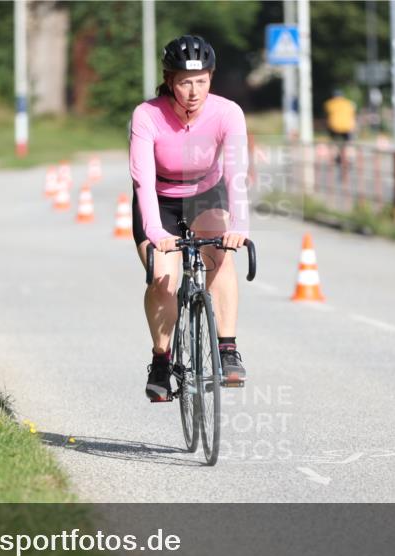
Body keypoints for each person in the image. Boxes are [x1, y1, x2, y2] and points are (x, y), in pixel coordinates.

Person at [129, 34, 250, 402]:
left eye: (201, 81)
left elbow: (236, 173)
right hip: (160, 200)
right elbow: (142, 181)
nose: (194, 91)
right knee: (163, 278)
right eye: (184, 82)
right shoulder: (147, 115)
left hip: (205, 194)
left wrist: (239, 227)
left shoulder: (227, 112)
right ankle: (162, 361)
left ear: (211, 78)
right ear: (169, 81)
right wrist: (154, 232)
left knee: (219, 258)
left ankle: (227, 349)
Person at [324, 89, 356, 173]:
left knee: (334, 143)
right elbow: (352, 116)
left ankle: (335, 158)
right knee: (349, 144)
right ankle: (350, 158)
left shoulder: (330, 104)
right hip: (347, 127)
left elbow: (327, 115)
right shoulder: (348, 103)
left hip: (334, 127)